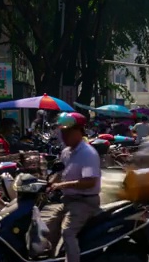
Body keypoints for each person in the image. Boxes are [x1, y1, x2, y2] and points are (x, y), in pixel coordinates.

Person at [46, 112, 101, 262]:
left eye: (67, 132)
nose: (63, 136)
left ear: (78, 131)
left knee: (68, 232)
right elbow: (60, 172)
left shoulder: (87, 153)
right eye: (62, 132)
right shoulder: (66, 152)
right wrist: (49, 183)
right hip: (68, 200)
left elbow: (90, 182)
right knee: (48, 228)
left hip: (84, 202)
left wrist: (60, 185)